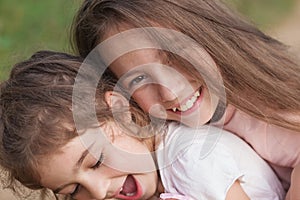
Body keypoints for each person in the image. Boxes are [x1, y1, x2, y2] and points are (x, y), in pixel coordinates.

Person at [71, 0, 300, 199]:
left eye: (173, 56)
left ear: (208, 32)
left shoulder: (264, 108)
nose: (169, 93)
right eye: (138, 79)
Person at [0, 50, 285, 200]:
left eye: (96, 161)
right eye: (73, 192)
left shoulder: (191, 161)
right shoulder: (156, 173)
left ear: (122, 111)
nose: (98, 192)